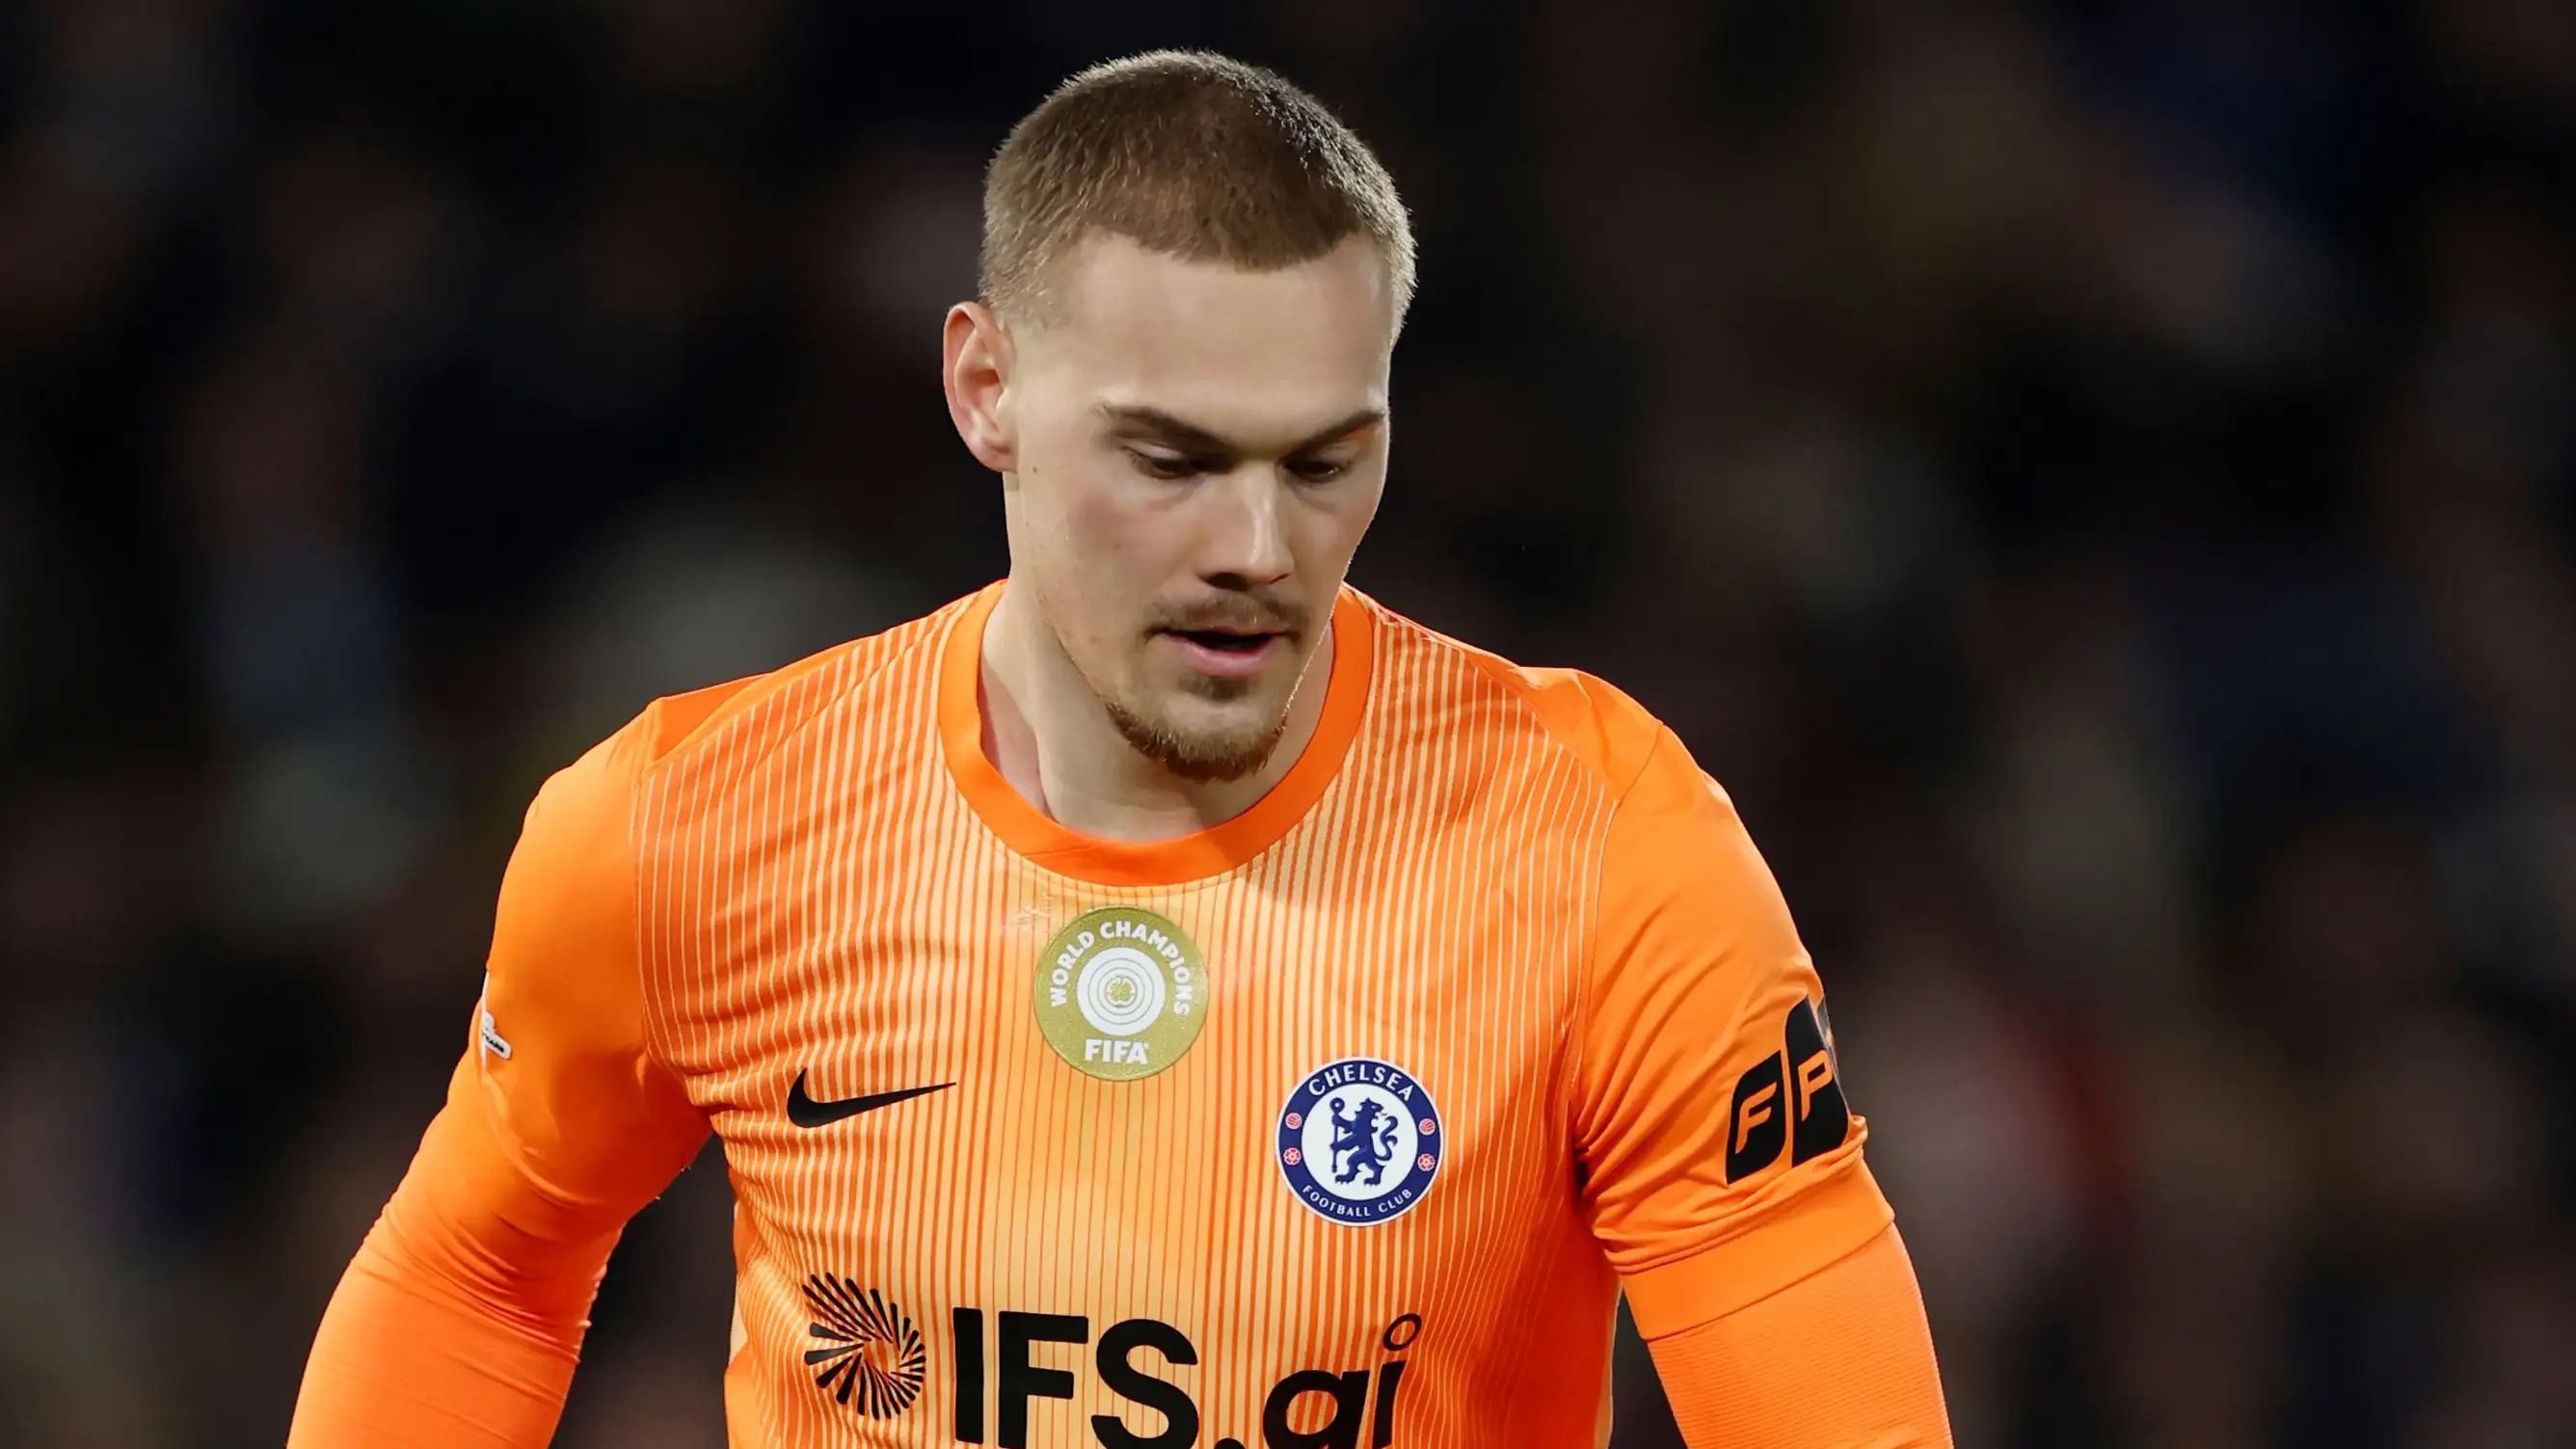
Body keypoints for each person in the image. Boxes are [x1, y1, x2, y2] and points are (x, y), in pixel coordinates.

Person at [288, 50, 1951, 1449]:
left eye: (1323, 462)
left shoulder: (1598, 839)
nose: (1256, 545)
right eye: (1170, 456)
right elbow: (480, 1269)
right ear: (986, 386)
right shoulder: (689, 824)